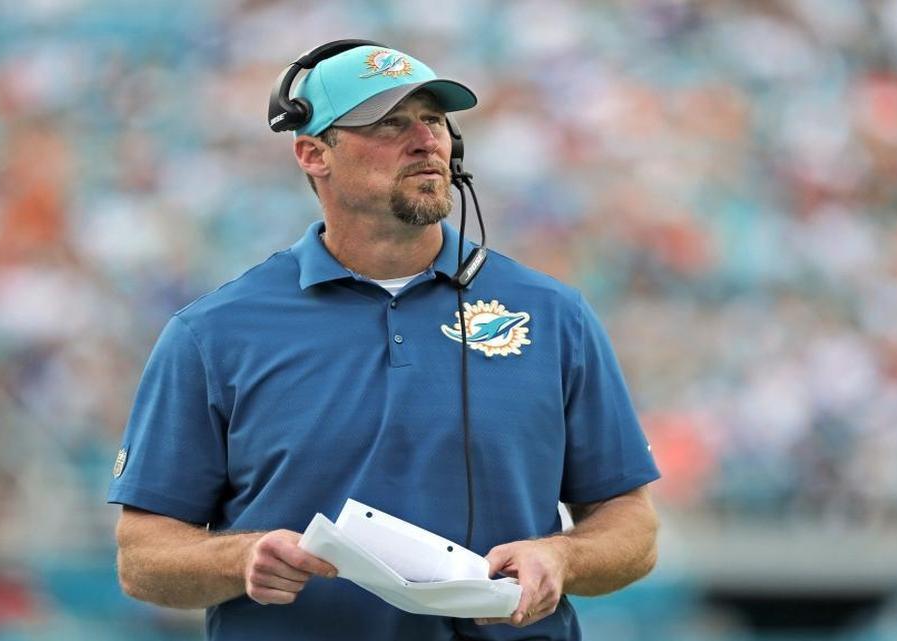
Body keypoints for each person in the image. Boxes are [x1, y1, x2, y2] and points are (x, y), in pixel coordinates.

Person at [108, 41, 660, 641]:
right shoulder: (212, 333)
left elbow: (631, 526)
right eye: (389, 123)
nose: (426, 141)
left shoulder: (554, 315)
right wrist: (239, 559)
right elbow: (143, 560)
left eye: (433, 119)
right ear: (313, 153)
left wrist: (562, 558)